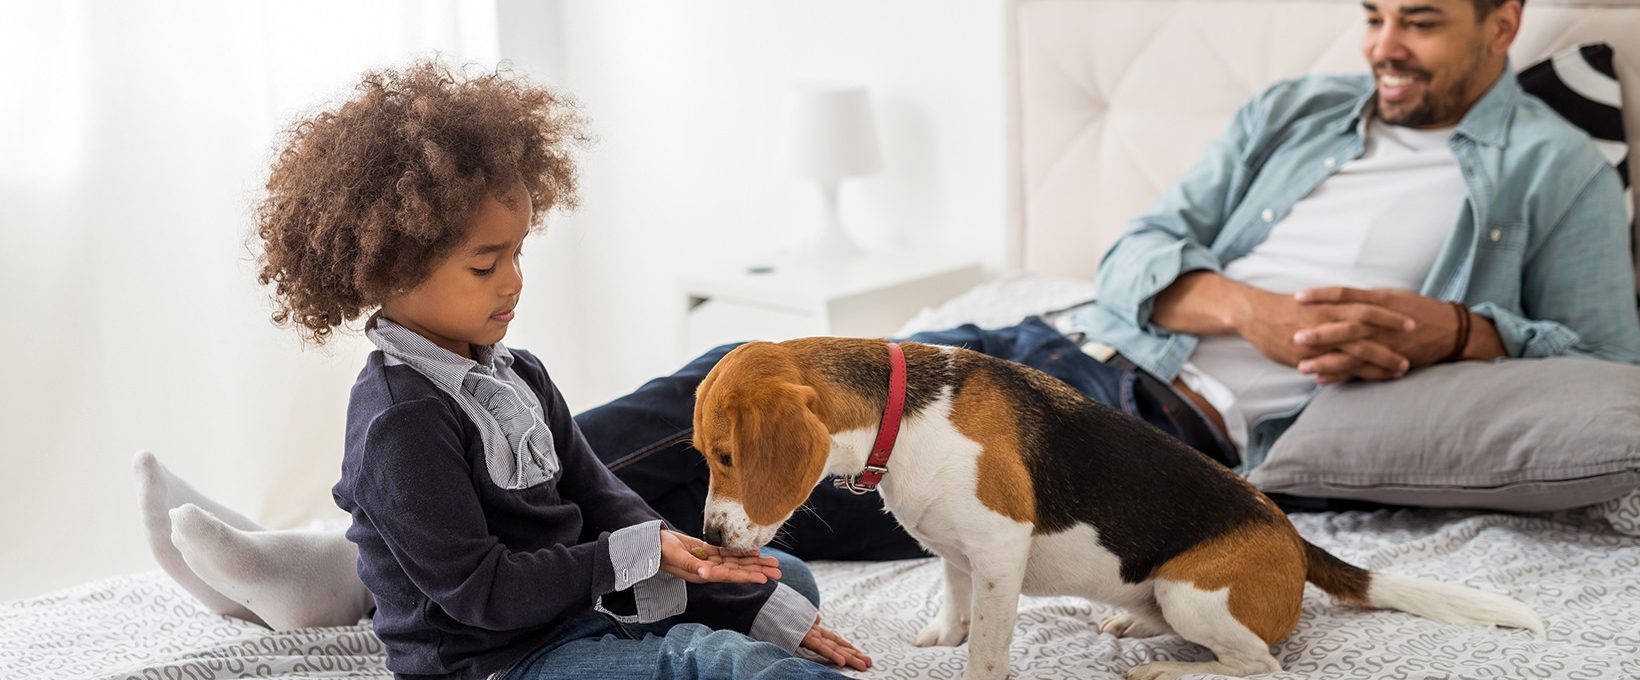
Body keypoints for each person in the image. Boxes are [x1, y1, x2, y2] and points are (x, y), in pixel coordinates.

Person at [139, 0, 1640, 641]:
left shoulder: (1555, 168)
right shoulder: (1299, 109)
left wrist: (1458, 341)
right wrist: (1238, 296)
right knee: (732, 392)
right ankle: (376, 557)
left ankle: (420, 564)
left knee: (799, 493)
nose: (1383, 43)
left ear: (1507, 25)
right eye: (1374, 12)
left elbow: (1602, 370)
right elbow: (1136, 247)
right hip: (1073, 341)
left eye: (1423, 19)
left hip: (1171, 433)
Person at [142, 60, 874, 680]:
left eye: (519, 252)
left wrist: (695, 565)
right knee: (712, 658)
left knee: (781, 584)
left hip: (574, 610)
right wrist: (639, 563)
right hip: (497, 658)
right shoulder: (401, 421)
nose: (513, 281)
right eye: (486, 263)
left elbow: (601, 494)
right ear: (391, 267)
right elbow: (480, 594)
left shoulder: (520, 373)